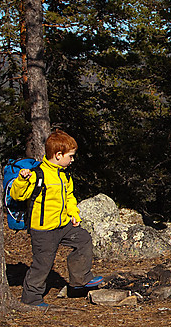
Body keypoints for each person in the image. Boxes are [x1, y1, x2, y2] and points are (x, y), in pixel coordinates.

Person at [10, 130, 102, 307]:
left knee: (83, 239)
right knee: (43, 264)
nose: (72, 160)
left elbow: (69, 196)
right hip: (43, 229)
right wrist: (22, 180)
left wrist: (74, 214)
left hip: (63, 225)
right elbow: (17, 195)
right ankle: (31, 298)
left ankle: (79, 281)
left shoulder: (64, 173)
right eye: (71, 156)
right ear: (58, 155)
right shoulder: (38, 175)